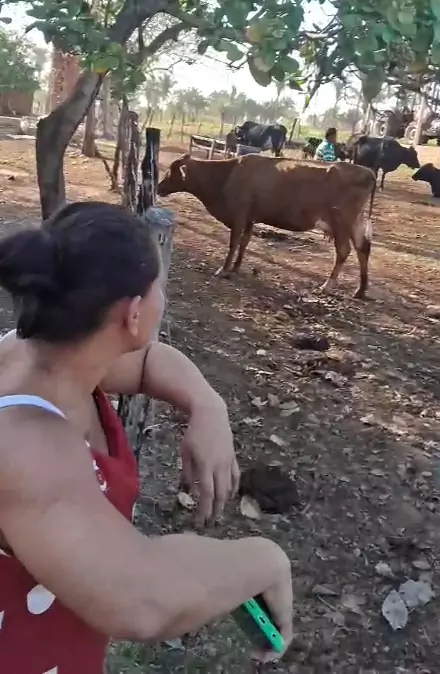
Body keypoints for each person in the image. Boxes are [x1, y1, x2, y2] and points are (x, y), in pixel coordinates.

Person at [0, 201, 293, 674]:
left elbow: (149, 362)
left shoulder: (51, 352)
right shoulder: (28, 447)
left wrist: (207, 406)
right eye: (160, 285)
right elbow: (137, 598)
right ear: (134, 314)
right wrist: (266, 561)